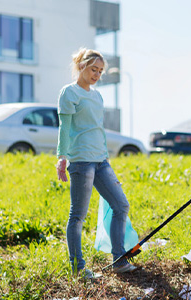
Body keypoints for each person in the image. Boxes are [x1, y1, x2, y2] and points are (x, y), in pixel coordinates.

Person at [56, 48, 136, 278]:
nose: (97, 74)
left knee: (120, 205)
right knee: (78, 216)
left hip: (101, 161)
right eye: (94, 69)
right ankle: (78, 267)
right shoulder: (69, 93)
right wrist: (62, 157)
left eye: (100, 71)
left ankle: (119, 260)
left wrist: (107, 163)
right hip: (81, 161)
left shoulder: (97, 96)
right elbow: (65, 128)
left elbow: (98, 130)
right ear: (81, 66)